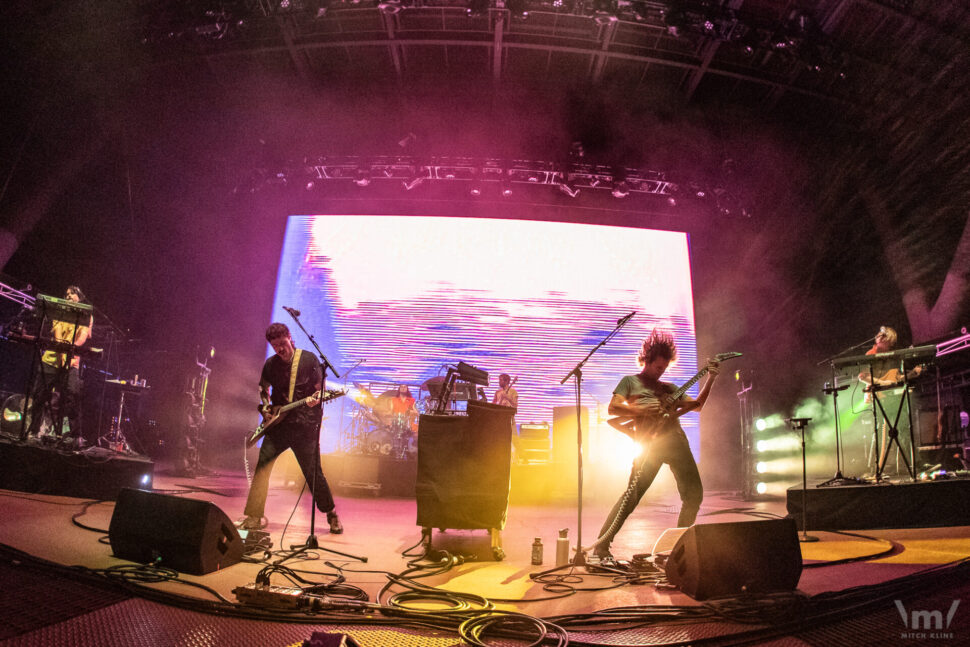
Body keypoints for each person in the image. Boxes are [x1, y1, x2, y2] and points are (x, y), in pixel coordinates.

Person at [592, 329, 719, 562]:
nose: (661, 371)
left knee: (694, 496)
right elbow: (613, 409)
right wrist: (639, 410)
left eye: (664, 368)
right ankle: (600, 547)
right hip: (649, 446)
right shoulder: (630, 382)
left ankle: (676, 551)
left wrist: (711, 377)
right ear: (647, 360)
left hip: (676, 443)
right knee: (630, 498)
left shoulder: (670, 387)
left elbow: (697, 405)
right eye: (658, 366)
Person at [241, 323, 342, 533]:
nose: (280, 349)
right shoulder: (271, 364)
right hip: (278, 427)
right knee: (262, 467)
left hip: (304, 427)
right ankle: (254, 515)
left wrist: (317, 398)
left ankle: (331, 513)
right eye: (275, 345)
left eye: (283, 343)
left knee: (313, 473)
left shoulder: (308, 359)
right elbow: (264, 389)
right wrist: (266, 408)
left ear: (290, 339)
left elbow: (320, 389)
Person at [29, 285, 92, 441]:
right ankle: (33, 431)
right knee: (39, 395)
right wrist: (64, 352)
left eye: (72, 294)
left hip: (72, 363)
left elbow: (83, 336)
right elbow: (57, 336)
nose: (68, 296)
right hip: (51, 360)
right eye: (67, 294)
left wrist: (73, 350)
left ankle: (75, 436)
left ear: (80, 297)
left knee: (74, 395)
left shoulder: (87, 316)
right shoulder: (59, 311)